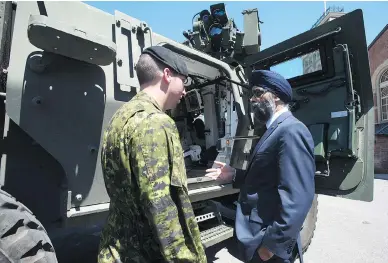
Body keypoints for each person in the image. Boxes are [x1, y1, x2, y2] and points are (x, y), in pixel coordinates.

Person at [98, 46, 207, 263]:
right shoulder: (156, 122)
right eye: (183, 81)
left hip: (117, 249)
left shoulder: (119, 118)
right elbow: (160, 205)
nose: (185, 91)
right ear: (167, 75)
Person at [206, 70, 316, 263]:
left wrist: (271, 247)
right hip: (258, 235)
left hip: (267, 244)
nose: (253, 100)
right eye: (251, 95)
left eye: (258, 93)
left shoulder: (291, 130)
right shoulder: (272, 130)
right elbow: (266, 175)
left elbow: (298, 198)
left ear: (276, 97)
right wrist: (233, 174)